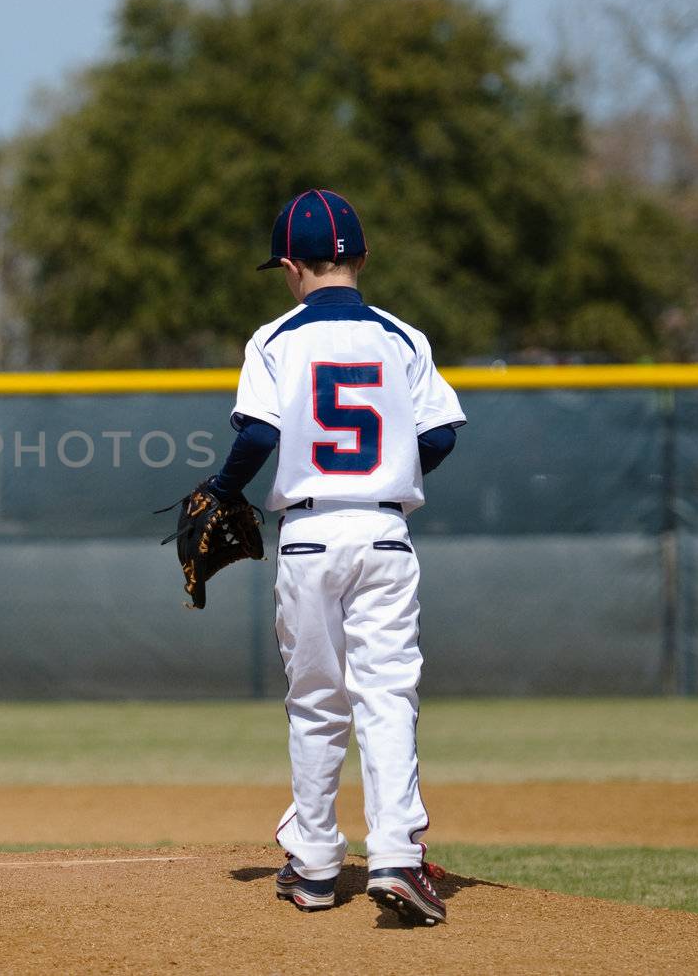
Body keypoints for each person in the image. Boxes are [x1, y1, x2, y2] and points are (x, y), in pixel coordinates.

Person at [206, 189, 465, 926]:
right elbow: (442, 436)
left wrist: (224, 487)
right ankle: (396, 855)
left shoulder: (275, 340)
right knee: (387, 694)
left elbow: (255, 435)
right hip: (384, 533)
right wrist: (387, 469)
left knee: (317, 701)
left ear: (291, 265)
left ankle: (316, 865)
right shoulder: (404, 337)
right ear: (363, 257)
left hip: (310, 535)